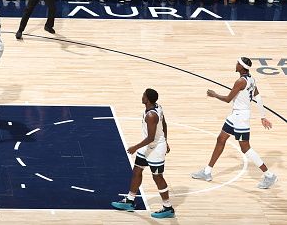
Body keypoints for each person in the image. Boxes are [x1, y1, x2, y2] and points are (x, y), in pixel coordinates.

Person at [191, 57, 278, 190]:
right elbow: (258, 97)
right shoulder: (251, 79)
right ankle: (207, 172)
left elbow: (227, 99)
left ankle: (269, 175)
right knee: (221, 139)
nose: (236, 64)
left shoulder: (240, 81)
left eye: (238, 63)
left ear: (242, 67)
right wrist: (262, 116)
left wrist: (214, 94)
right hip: (235, 116)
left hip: (241, 117)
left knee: (246, 148)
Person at [111, 88, 175, 219]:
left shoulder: (151, 115)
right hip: (148, 147)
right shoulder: (158, 107)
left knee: (157, 177)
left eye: (144, 95)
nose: (142, 96)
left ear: (148, 99)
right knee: (137, 171)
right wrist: (166, 140)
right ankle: (130, 201)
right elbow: (164, 124)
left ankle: (168, 207)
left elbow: (151, 138)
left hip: (155, 148)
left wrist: (135, 147)